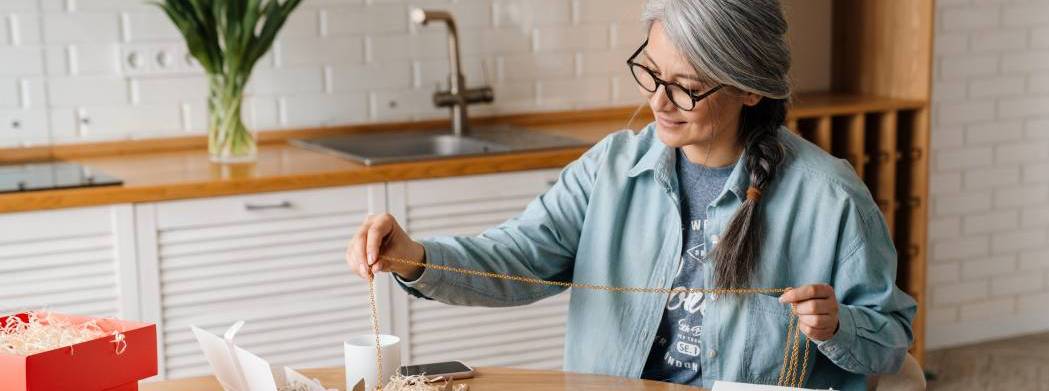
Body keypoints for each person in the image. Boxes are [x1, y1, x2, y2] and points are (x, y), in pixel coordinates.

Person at [345, 0, 916, 389]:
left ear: (749, 90)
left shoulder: (829, 197)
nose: (659, 103)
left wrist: (837, 325)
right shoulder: (611, 169)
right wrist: (415, 258)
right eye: (650, 72)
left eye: (686, 89)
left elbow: (892, 341)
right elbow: (517, 256)